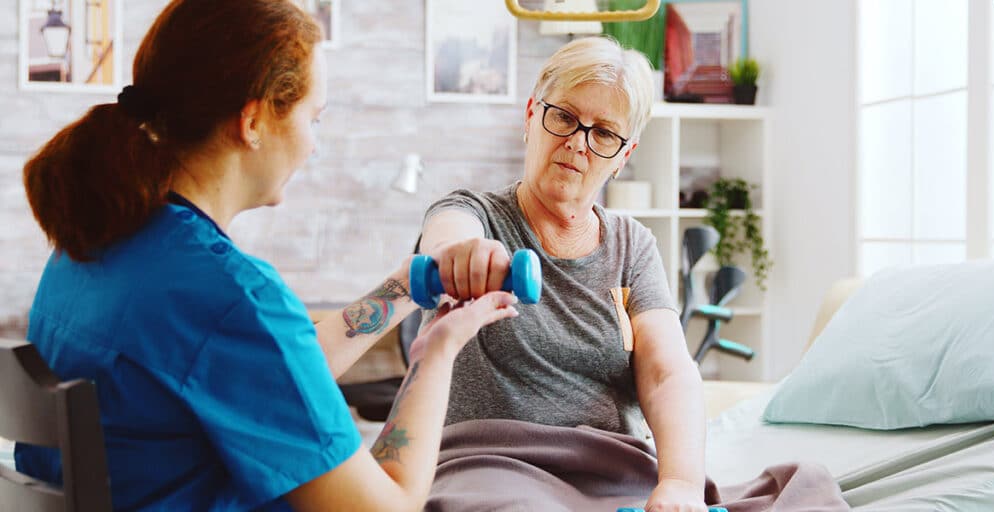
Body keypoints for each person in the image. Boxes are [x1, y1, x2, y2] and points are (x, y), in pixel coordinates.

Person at [17, 1, 517, 510]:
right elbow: (388, 505)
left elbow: (276, 373)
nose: (312, 146)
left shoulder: (92, 244)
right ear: (253, 119)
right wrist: (437, 350)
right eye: (313, 119)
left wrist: (411, 288)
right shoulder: (229, 296)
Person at [419, 36, 708, 511]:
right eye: (565, 117)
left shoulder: (633, 245)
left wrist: (680, 484)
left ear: (624, 155)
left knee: (800, 490)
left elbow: (667, 372)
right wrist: (461, 255)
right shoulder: (473, 213)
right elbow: (447, 237)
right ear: (531, 116)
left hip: (613, 470)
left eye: (603, 134)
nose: (578, 143)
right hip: (490, 465)